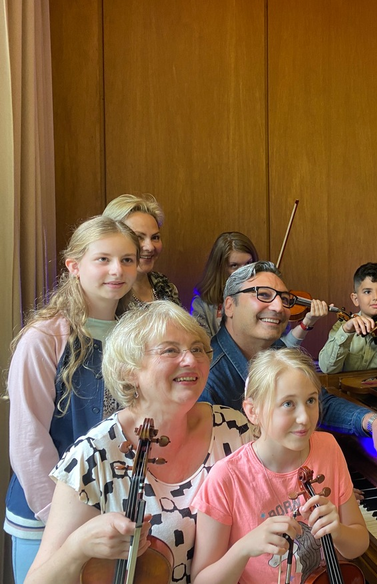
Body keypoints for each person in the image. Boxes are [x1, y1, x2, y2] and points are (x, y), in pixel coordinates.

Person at [24, 301, 253, 584]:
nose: (191, 360)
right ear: (129, 370)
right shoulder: (92, 455)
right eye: (171, 350)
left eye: (197, 349)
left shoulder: (236, 429)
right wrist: (77, 547)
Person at [4, 215, 139, 583]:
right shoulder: (44, 338)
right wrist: (59, 522)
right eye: (103, 259)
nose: (117, 270)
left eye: (128, 259)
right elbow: (29, 442)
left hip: (115, 512)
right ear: (74, 266)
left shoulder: (137, 335)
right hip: (44, 516)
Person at [198, 261, 377, 466]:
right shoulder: (207, 376)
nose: (278, 307)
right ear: (229, 305)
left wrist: (372, 421)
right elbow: (210, 470)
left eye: (284, 299)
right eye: (263, 295)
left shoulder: (278, 350)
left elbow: (321, 402)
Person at [191, 349, 369, 583]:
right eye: (288, 403)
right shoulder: (226, 478)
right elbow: (201, 580)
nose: (305, 417)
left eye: (311, 400)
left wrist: (338, 531)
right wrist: (244, 548)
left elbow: (358, 544)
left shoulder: (328, 447)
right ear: (253, 411)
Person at [103, 193, 181, 309]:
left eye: (155, 237)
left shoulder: (164, 286)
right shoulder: (107, 292)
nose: (150, 247)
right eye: (138, 237)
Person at [192, 232, 259, 337]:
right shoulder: (201, 304)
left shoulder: (265, 296)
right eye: (234, 265)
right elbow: (204, 347)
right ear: (221, 269)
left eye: (248, 264)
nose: (245, 272)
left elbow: (280, 344)